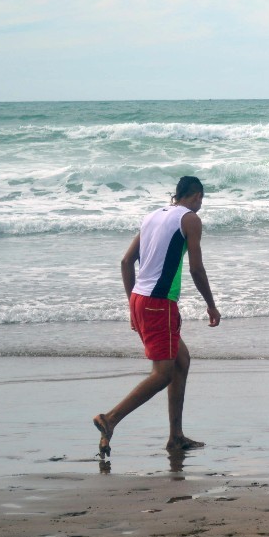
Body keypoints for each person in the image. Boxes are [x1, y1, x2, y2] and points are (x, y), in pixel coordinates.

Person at [93, 176, 221, 458]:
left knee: (181, 360)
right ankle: (110, 419)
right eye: (202, 199)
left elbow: (127, 262)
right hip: (158, 303)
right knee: (163, 374)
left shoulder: (151, 216)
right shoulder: (189, 219)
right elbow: (196, 269)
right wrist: (211, 305)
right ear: (197, 196)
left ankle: (176, 437)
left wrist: (131, 306)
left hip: (141, 299)